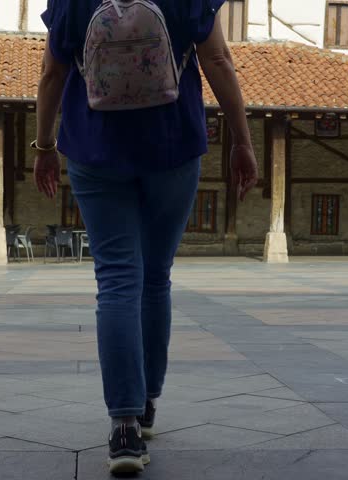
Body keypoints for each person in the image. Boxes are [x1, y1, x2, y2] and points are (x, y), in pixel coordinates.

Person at [35, 0, 257, 474]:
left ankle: (124, 429)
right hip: (172, 146)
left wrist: (45, 146)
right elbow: (217, 59)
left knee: (116, 281)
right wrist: (241, 140)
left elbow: (52, 73)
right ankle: (148, 403)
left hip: (94, 149)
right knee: (155, 278)